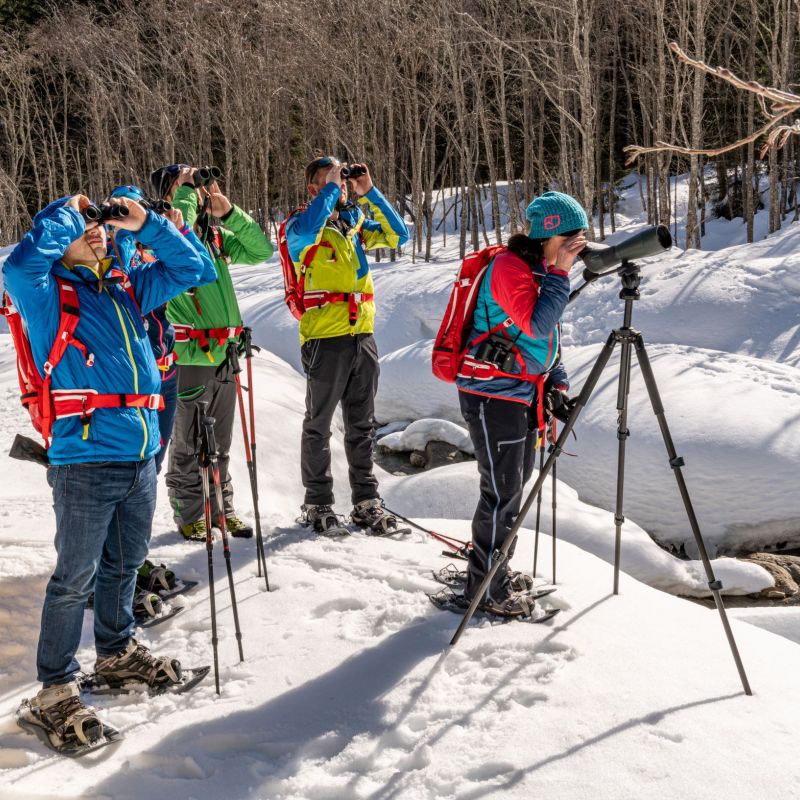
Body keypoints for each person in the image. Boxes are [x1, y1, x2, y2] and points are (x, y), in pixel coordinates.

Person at [4, 192, 214, 747]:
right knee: (74, 580)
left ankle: (117, 654)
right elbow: (16, 265)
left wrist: (144, 224)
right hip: (86, 460)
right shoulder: (47, 293)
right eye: (86, 227)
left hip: (140, 455)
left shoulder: (123, 289)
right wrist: (68, 213)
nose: (98, 231)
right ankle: (53, 689)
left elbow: (196, 267)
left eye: (101, 225)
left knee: (124, 567)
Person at [454, 191, 588, 618]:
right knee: (501, 493)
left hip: (521, 393)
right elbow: (537, 322)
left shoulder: (540, 270)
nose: (577, 246)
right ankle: (486, 592)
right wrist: (562, 273)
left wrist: (558, 383)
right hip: (492, 395)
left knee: (510, 489)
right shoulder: (510, 269)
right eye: (572, 238)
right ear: (549, 234)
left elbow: (547, 341)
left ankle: (494, 572)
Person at [284, 156, 409, 535]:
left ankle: (366, 501)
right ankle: (318, 502)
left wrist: (368, 191)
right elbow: (305, 234)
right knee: (319, 424)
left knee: (362, 424)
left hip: (362, 336)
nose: (340, 184)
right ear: (314, 189)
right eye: (331, 179)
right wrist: (330, 191)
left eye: (342, 176)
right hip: (325, 337)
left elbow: (398, 235)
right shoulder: (300, 226)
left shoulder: (353, 224)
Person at [150, 164, 274, 541]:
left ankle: (222, 509)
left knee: (221, 442)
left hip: (224, 353)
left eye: (196, 184)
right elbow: (179, 239)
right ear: (168, 193)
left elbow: (262, 250)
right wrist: (186, 190)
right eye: (185, 185)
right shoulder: (157, 233)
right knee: (188, 442)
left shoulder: (213, 237)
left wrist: (228, 210)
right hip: (188, 355)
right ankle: (189, 513)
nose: (197, 190)